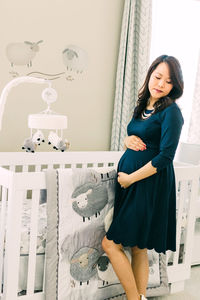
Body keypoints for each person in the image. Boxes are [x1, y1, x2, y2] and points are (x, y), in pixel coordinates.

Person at [102, 55, 184, 300]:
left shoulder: (171, 112)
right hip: (132, 184)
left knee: (110, 244)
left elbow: (165, 157)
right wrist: (126, 140)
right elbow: (136, 136)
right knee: (138, 247)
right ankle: (140, 297)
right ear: (150, 75)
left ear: (174, 86)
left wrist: (130, 178)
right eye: (157, 77)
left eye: (168, 81)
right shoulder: (145, 105)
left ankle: (133, 298)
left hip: (148, 183)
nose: (160, 84)